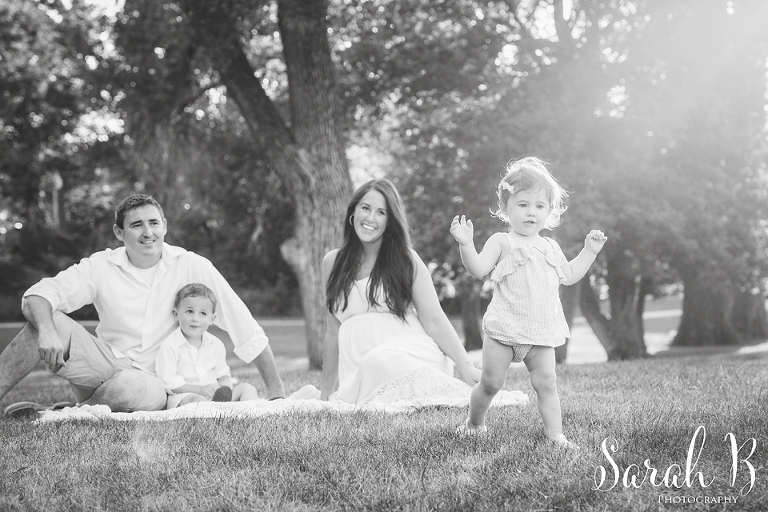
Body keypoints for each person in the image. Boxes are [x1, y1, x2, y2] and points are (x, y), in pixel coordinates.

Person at [0, 194, 284, 416]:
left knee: (130, 384)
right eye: (137, 225)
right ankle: (79, 406)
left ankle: (69, 412)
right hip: (103, 365)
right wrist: (47, 331)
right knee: (44, 318)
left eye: (154, 223)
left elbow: (243, 325)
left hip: (152, 383)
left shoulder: (192, 265)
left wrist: (277, 394)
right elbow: (38, 294)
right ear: (119, 232)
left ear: (165, 226)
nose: (148, 232)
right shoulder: (101, 266)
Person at [450, 157, 607, 448]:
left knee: (547, 383)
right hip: (504, 331)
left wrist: (589, 252)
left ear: (549, 211)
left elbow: (570, 275)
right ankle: (474, 424)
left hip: (539, 333)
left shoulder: (550, 246)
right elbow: (478, 269)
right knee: (491, 384)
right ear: (505, 208)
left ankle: (556, 436)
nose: (531, 212)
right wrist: (466, 244)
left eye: (539, 206)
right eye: (523, 204)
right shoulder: (502, 241)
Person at [320, 178, 483, 405]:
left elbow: (434, 320)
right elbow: (332, 332)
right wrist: (324, 394)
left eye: (381, 212)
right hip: (359, 369)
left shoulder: (406, 260)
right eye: (365, 208)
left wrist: (466, 367)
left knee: (377, 360)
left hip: (411, 354)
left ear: (389, 221)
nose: (370, 218)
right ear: (353, 212)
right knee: (372, 364)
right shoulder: (332, 262)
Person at [155, 283, 259, 408]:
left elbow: (223, 373)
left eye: (203, 313)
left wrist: (224, 387)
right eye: (189, 311)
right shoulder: (169, 346)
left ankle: (248, 414)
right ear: (176, 314)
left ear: (212, 319)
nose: (195, 318)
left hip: (212, 396)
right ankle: (214, 414)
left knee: (247, 388)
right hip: (185, 396)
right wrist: (199, 390)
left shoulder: (216, 344)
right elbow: (169, 382)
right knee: (198, 400)